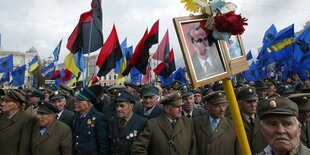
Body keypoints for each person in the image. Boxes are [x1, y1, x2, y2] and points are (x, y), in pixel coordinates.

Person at [131, 91, 197, 155]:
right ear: (167, 109)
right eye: (177, 107)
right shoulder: (153, 124)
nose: (181, 110)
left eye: (181, 106)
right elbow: (138, 148)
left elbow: (193, 148)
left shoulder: (188, 122)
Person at [72, 87, 110, 155]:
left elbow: (103, 145)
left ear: (88, 104)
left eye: (79, 101)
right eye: (75, 101)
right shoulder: (76, 116)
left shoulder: (99, 118)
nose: (75, 103)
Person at [109, 90, 146, 155]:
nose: (118, 109)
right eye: (117, 106)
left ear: (131, 106)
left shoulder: (141, 122)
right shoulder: (113, 120)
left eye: (122, 106)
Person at [0, 89, 36, 155]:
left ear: (16, 105)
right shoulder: (3, 116)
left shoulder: (28, 119)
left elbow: (24, 148)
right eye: (3, 101)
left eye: (7, 101)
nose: (2, 104)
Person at [235, 86, 268, 154]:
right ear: (240, 104)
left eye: (254, 101)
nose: (253, 105)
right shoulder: (233, 122)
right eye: (249, 102)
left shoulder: (264, 119)